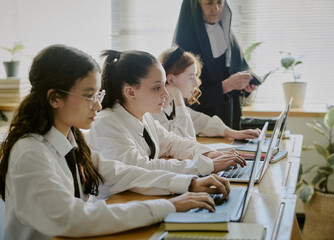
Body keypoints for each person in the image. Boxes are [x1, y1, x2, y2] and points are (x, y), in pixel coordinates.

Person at [0, 44, 232, 239]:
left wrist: (188, 183)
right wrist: (168, 206)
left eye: (98, 95)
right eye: (89, 95)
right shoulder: (30, 153)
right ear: (55, 98)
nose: (98, 105)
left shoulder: (70, 140)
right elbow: (74, 218)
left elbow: (123, 172)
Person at [88, 49, 246, 177]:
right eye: (157, 87)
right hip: (117, 206)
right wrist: (205, 165)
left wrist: (209, 154)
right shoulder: (107, 123)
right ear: (130, 92)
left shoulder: (144, 116)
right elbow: (141, 168)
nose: (165, 93)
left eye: (164, 85)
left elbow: (173, 142)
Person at [173, 0, 262, 130]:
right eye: (209, 3)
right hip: (203, 124)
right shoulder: (185, 43)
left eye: (220, 3)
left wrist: (245, 85)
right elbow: (185, 98)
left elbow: (239, 69)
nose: (216, 8)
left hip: (231, 116)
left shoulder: (227, 34)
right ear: (196, 6)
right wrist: (225, 86)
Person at [152, 46, 261, 141]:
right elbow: (186, 140)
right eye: (191, 77)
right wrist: (177, 96)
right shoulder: (154, 111)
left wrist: (233, 133)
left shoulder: (170, 104)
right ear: (170, 80)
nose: (196, 84)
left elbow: (201, 121)